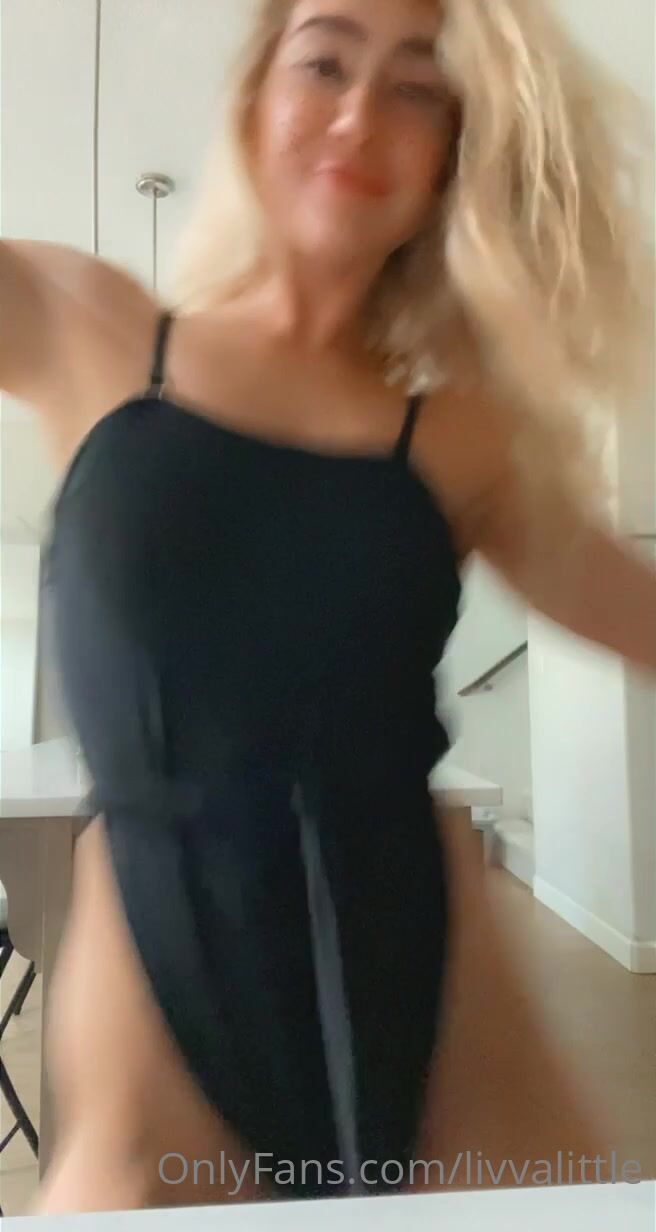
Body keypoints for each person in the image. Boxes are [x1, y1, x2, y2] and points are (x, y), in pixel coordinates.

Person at [2, 0, 654, 1216]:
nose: (358, 117)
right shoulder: (83, 324)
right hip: (160, 990)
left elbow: (638, 609)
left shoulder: (458, 439)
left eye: (415, 88)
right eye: (324, 62)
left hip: (425, 979)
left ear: (455, 152)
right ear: (256, 98)